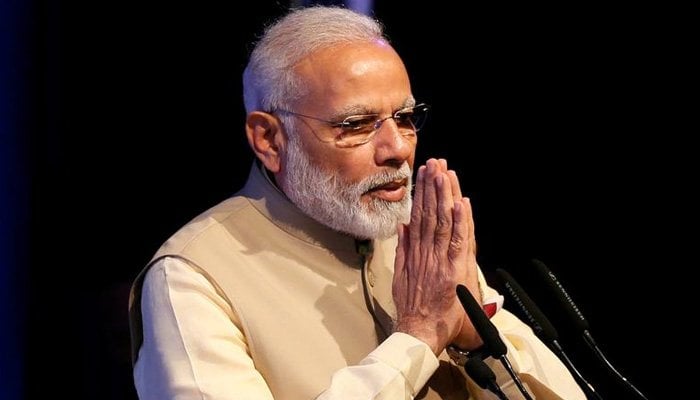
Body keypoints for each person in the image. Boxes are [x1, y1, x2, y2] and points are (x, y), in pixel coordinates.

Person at [128, 5, 586, 399]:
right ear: (268, 138)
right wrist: (418, 338)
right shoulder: (191, 276)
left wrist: (478, 340)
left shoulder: (418, 242)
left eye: (405, 118)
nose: (398, 148)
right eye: (356, 124)